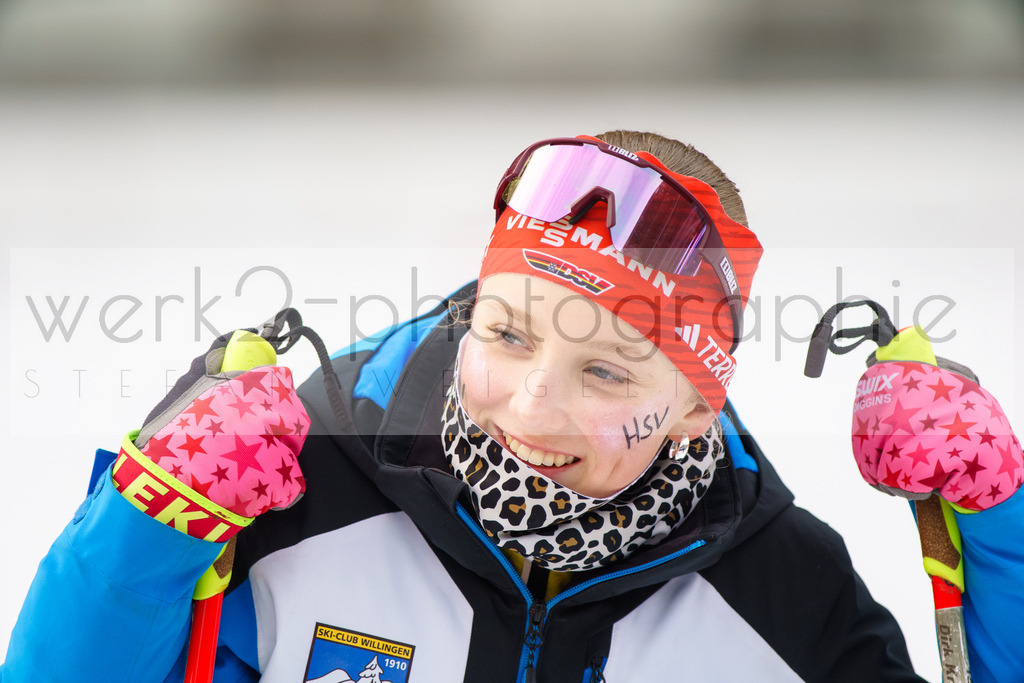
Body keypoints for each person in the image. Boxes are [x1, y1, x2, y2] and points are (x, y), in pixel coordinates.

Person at [2, 131, 1023, 682]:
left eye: (610, 373)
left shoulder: (785, 598)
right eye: (507, 333)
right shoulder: (297, 495)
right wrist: (147, 520)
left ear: (696, 412)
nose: (532, 403)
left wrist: (997, 529)